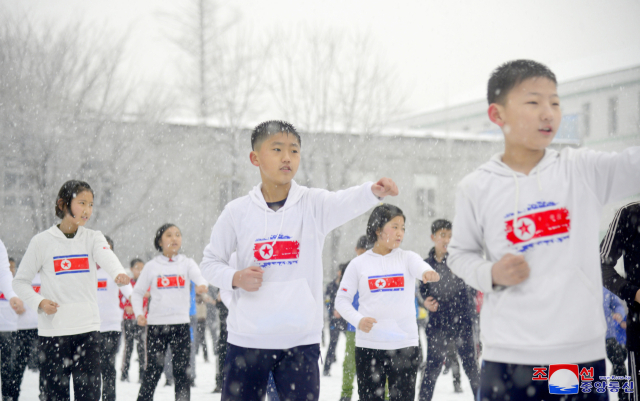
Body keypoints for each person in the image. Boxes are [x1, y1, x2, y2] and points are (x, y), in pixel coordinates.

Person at [447, 60, 640, 400]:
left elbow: (632, 164)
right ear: (497, 114)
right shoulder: (476, 187)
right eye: (533, 102)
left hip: (577, 357)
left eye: (555, 102)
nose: (548, 112)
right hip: (507, 357)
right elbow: (459, 254)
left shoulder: (582, 170)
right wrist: (489, 271)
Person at [200, 120, 398, 401]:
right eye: (277, 149)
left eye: (294, 151)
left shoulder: (312, 205)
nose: (287, 158)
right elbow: (210, 262)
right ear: (255, 158)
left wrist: (373, 191)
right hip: (248, 340)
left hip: (300, 342)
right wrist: (235, 278)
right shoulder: (237, 212)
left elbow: (344, 201)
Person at [12, 180, 130, 400]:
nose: (87, 210)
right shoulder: (41, 242)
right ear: (63, 203)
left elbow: (106, 256)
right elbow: (20, 282)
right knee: (55, 396)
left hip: (88, 332)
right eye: (82, 202)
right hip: (53, 334)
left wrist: (117, 273)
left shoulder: (93, 237)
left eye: (91, 204)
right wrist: (40, 302)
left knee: (90, 396)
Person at [335, 204, 440, 401]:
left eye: (403, 228)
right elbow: (341, 300)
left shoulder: (408, 258)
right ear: (377, 229)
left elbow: (420, 267)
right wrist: (358, 319)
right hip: (369, 346)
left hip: (404, 346)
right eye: (395, 226)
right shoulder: (358, 264)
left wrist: (427, 272)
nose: (400, 233)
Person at [132, 223, 208, 401]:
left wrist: (202, 285)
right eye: (169, 235)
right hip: (156, 326)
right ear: (160, 240)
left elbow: (200, 278)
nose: (174, 238)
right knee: (152, 371)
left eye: (178, 234)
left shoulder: (187, 263)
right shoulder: (152, 266)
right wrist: (139, 314)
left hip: (181, 325)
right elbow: (137, 292)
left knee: (182, 373)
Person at [418, 219, 479, 400]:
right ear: (433, 237)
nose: (447, 240)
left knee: (472, 370)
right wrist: (425, 303)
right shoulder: (425, 265)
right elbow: (422, 293)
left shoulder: (460, 262)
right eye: (442, 235)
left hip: (463, 323)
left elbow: (473, 289)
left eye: (450, 236)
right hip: (437, 325)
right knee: (431, 370)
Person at [601, 201, 640, 399]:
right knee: (618, 366)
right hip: (628, 333)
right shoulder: (629, 213)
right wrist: (634, 292)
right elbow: (600, 263)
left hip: (617, 330)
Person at [97, 235, 133, 401]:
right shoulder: (84, 270)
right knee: (89, 368)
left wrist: (137, 306)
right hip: (88, 327)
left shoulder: (116, 271)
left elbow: (131, 294)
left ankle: (108, 398)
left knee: (108, 366)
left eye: (108, 248)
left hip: (111, 325)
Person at [339, 235, 368, 401]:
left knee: (376, 364)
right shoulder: (350, 269)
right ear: (356, 250)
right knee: (350, 362)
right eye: (361, 252)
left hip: (373, 326)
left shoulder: (376, 267)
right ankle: (346, 393)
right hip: (354, 326)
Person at [11, 267, 43, 400]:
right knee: (17, 367)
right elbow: (11, 299)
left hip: (43, 328)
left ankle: (45, 396)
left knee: (46, 367)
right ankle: (12, 396)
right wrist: (15, 306)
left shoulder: (46, 276)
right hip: (23, 327)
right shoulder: (21, 278)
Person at [1, 238, 25, 400]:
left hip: (8, 327)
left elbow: (3, 273)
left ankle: (8, 395)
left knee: (7, 366)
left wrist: (12, 295)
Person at [121, 258, 148, 383]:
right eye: (137, 268)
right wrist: (127, 307)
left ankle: (142, 374)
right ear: (131, 269)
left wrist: (138, 309)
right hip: (128, 320)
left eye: (142, 268)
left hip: (141, 320)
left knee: (142, 348)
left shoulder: (146, 283)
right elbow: (121, 299)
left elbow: (146, 298)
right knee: (128, 347)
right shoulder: (127, 283)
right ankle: (124, 373)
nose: (140, 271)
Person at [602, 287, 628, 401]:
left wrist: (619, 313)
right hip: (588, 339)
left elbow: (617, 305)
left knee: (620, 364)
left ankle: (624, 397)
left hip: (608, 335)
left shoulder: (605, 288)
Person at [323, 263, 347, 376]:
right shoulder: (330, 286)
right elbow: (327, 300)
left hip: (346, 320)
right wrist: (332, 310)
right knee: (332, 344)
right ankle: (326, 369)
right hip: (334, 320)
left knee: (352, 345)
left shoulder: (347, 285)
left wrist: (343, 311)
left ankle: (356, 369)